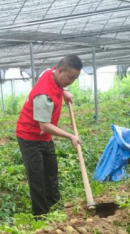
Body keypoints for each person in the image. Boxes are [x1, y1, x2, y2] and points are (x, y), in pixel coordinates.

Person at [16, 55, 82, 216]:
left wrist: (64, 90)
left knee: (51, 173)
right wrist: (71, 136)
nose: (71, 81)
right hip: (29, 137)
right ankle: (41, 215)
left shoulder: (51, 73)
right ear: (60, 71)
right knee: (37, 177)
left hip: (44, 138)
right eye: (70, 78)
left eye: (75, 78)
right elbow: (44, 126)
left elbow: (52, 76)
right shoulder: (43, 94)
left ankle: (55, 206)